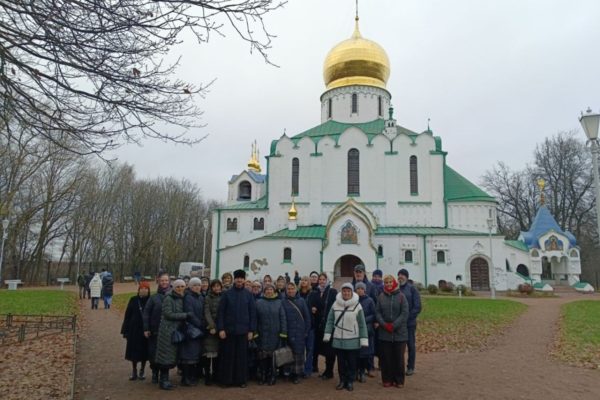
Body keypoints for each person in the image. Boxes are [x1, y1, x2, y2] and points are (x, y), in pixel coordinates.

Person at [323, 282, 368, 392]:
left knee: (352, 362)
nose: (346, 293)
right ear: (341, 292)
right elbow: (330, 321)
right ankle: (342, 380)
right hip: (338, 339)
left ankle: (350, 381)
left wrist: (363, 339)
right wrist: (327, 334)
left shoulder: (357, 305)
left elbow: (362, 324)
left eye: (348, 291)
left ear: (351, 292)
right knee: (341, 363)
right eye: (344, 291)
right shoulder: (335, 304)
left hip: (352, 339)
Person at [216, 269, 257, 388]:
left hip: (243, 331)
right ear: (235, 279)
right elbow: (221, 313)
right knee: (228, 356)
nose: (239, 280)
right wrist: (221, 328)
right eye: (237, 278)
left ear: (244, 280)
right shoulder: (227, 294)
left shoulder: (248, 295)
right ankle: (226, 380)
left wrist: (251, 330)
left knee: (241, 357)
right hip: (228, 331)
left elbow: (252, 313)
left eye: (241, 278)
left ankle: (241, 380)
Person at [155, 279, 190, 390]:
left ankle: (167, 379)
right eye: (178, 286)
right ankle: (163, 380)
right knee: (166, 356)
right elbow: (168, 314)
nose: (180, 288)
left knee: (173, 355)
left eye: (182, 286)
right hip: (167, 331)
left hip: (177, 330)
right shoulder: (169, 298)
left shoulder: (182, 297)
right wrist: (185, 315)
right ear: (173, 288)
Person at [375, 274, 408, 388]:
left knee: (398, 358)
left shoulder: (401, 296)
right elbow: (377, 312)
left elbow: (404, 313)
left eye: (390, 282)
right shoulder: (381, 297)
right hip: (385, 333)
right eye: (386, 283)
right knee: (386, 358)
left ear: (394, 283)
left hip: (399, 333)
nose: (388, 285)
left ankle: (399, 380)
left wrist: (394, 325)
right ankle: (387, 379)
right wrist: (384, 324)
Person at [255, 283, 287, 385]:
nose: (269, 291)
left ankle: (272, 375)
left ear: (274, 291)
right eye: (267, 290)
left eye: (271, 289)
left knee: (273, 356)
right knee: (263, 356)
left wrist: (283, 332)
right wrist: (255, 332)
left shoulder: (279, 302)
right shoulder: (258, 302)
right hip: (262, 333)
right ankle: (263, 375)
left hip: (275, 333)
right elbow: (255, 319)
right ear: (264, 291)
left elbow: (283, 318)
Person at [143, 272, 171, 384]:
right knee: (153, 353)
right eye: (162, 280)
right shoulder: (153, 298)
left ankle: (165, 375)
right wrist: (146, 328)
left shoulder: (172, 296)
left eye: (166, 280)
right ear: (158, 281)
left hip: (168, 331)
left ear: (169, 281)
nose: (164, 282)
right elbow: (146, 313)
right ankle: (155, 372)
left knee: (167, 354)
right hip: (155, 331)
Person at [309, 272, 337, 379]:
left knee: (329, 349)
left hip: (328, 324)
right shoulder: (314, 292)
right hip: (317, 325)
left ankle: (329, 371)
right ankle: (318, 368)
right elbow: (310, 304)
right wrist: (312, 308)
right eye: (320, 279)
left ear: (327, 280)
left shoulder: (332, 292)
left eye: (323, 279)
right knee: (319, 347)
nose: (321, 281)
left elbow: (335, 306)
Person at [121, 281, 150, 381]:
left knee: (144, 352)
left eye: (146, 288)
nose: (144, 290)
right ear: (139, 290)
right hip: (134, 330)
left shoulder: (150, 300)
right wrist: (125, 330)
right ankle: (134, 370)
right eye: (142, 288)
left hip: (145, 330)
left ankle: (142, 370)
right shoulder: (133, 300)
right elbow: (127, 315)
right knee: (133, 352)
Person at [282, 282, 310, 384]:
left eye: (292, 288)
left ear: (296, 289)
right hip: (288, 331)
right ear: (286, 290)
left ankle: (296, 374)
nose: (290, 290)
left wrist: (306, 331)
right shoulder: (283, 302)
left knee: (298, 354)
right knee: (288, 353)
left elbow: (307, 317)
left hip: (299, 331)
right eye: (288, 289)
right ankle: (287, 373)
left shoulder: (302, 301)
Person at [179, 277, 205, 386]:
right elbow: (190, 314)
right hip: (191, 329)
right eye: (194, 285)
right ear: (190, 286)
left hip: (198, 330)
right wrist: (200, 324)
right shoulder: (188, 297)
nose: (197, 287)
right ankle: (185, 378)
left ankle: (191, 376)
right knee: (188, 355)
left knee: (195, 354)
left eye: (198, 285)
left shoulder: (200, 297)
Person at [397, 268, 421, 376]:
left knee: (410, 345)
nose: (400, 277)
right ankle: (398, 366)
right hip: (398, 324)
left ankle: (410, 367)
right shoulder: (396, 289)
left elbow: (417, 306)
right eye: (399, 275)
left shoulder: (412, 289)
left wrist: (407, 317)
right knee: (398, 346)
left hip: (409, 323)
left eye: (402, 275)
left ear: (406, 277)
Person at [203, 279, 223, 386]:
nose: (217, 288)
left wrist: (221, 327)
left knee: (217, 355)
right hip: (210, 330)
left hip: (220, 330)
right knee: (208, 355)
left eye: (218, 286)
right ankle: (207, 376)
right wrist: (212, 326)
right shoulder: (207, 298)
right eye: (214, 286)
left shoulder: (223, 297)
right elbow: (207, 313)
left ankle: (215, 375)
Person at [355, 282, 376, 383]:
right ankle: (356, 371)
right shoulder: (353, 301)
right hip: (355, 330)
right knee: (356, 352)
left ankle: (362, 371)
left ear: (364, 290)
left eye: (361, 288)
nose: (359, 290)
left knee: (364, 353)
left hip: (366, 330)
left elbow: (373, 314)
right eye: (358, 288)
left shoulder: (370, 300)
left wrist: (363, 320)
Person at [298, 276, 315, 377]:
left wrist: (315, 309)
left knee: (309, 348)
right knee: (300, 349)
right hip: (299, 325)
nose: (304, 282)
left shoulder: (312, 294)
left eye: (306, 280)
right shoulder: (297, 294)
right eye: (302, 280)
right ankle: (299, 368)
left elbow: (317, 305)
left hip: (310, 325)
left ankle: (308, 369)